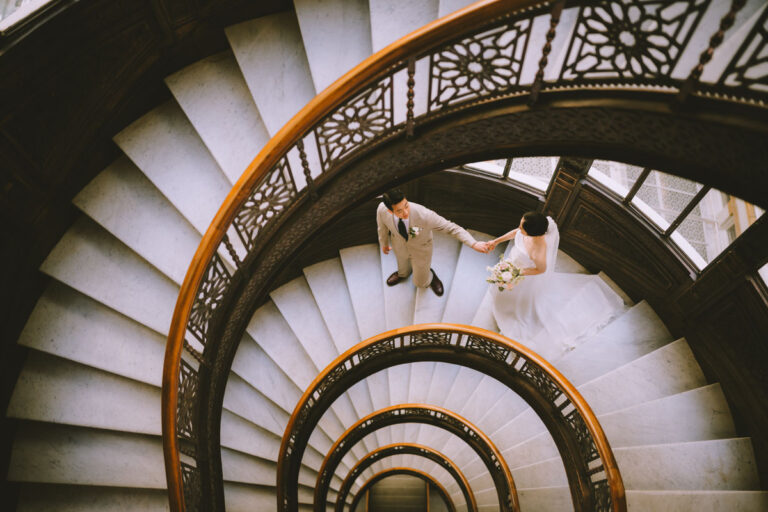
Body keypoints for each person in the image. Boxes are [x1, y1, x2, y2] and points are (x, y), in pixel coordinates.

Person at [487, 212, 625, 360]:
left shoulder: (539, 247)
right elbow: (516, 233)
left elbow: (541, 269)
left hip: (524, 275)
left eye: (522, 227)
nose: (519, 228)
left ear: (532, 233)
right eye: (520, 224)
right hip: (514, 265)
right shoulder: (524, 231)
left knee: (519, 299)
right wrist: (496, 241)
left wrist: (515, 273)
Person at [377, 189, 487, 296]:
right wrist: (384, 244)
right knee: (403, 267)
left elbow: (451, 228)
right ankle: (403, 274)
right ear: (390, 211)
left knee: (420, 282)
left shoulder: (425, 215)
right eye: (399, 211)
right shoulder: (382, 210)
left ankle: (430, 275)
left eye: (406, 205)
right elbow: (382, 228)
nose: (406, 213)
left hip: (421, 249)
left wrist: (473, 243)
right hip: (399, 246)